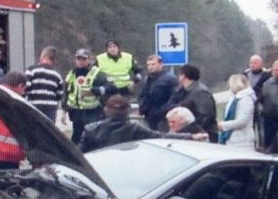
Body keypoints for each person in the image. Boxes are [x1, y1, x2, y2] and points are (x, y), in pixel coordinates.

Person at [80, 95, 208, 153]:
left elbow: (79, 154)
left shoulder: (91, 129)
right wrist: (190, 137)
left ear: (106, 110)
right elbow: (161, 136)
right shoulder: (135, 129)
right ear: (127, 111)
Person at [62, 48, 114, 145]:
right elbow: (66, 92)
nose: (81, 61)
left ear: (89, 60)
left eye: (84, 59)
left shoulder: (97, 73)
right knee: (76, 138)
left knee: (93, 137)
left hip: (92, 112)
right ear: (75, 60)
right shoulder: (71, 74)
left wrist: (95, 90)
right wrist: (64, 111)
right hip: (76, 112)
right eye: (78, 58)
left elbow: (111, 87)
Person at [163, 64, 218, 143]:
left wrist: (191, 129)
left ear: (183, 76)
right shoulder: (181, 91)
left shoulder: (201, 92)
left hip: (203, 135)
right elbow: (170, 106)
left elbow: (206, 116)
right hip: (190, 135)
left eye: (179, 74)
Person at [24, 46, 64, 122]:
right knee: (48, 130)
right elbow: (59, 94)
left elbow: (26, 87)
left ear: (43, 56)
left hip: (34, 105)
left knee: (34, 129)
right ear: (54, 59)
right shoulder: (57, 75)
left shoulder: (31, 70)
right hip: (51, 108)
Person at [138, 54, 178, 131]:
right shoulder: (147, 79)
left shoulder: (170, 79)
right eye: (148, 65)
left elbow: (175, 97)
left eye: (153, 64)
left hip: (163, 117)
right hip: (149, 115)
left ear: (161, 64)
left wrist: (164, 110)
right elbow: (142, 95)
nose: (150, 67)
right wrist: (142, 107)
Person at [217, 74, 257, 149]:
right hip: (232, 139)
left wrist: (222, 125)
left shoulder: (246, 99)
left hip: (242, 140)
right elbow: (217, 98)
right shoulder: (234, 97)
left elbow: (241, 121)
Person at [244, 54, 271, 147]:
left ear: (261, 64)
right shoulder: (245, 75)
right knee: (249, 126)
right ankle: (251, 146)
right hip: (247, 104)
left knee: (262, 128)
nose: (252, 65)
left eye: (255, 63)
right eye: (251, 63)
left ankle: (263, 146)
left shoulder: (267, 75)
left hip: (261, 105)